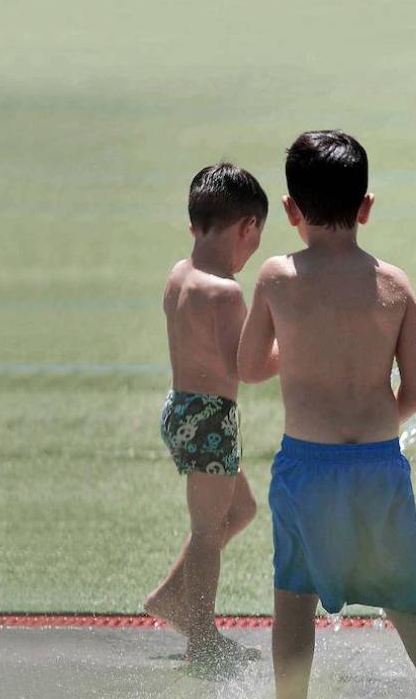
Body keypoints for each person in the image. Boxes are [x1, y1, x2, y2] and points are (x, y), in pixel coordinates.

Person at [239, 130, 416, 699]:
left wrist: (299, 344)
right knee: (409, 599)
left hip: (307, 466)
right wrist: (382, 421)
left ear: (291, 210)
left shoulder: (275, 278)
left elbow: (248, 365)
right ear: (366, 206)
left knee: (294, 596)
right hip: (377, 464)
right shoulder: (393, 284)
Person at [146, 162, 267, 670]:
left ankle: (172, 598)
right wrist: (289, 346)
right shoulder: (226, 292)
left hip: (181, 409)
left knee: (238, 512)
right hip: (211, 418)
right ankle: (202, 637)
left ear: (194, 222)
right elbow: (245, 365)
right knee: (206, 529)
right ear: (248, 229)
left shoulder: (181, 273)